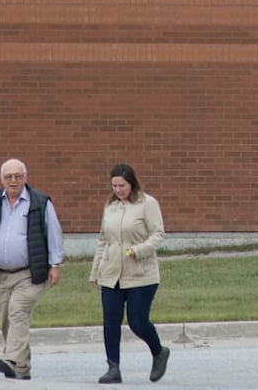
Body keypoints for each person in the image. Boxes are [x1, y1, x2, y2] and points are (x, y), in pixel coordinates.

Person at [0, 158, 65, 381]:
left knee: (18, 312)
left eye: (18, 176)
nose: (13, 181)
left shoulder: (40, 202)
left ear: (25, 178)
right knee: (6, 320)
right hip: (0, 273)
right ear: (1, 179)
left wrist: (55, 264)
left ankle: (9, 358)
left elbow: (54, 234)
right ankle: (22, 368)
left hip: (30, 273)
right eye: (8, 177)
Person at [89, 163, 170, 384]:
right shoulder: (111, 207)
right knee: (111, 320)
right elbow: (103, 240)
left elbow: (158, 234)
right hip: (111, 273)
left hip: (140, 274)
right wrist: (96, 271)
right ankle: (113, 368)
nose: (118, 190)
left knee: (137, 321)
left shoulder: (147, 204)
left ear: (131, 183)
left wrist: (138, 251)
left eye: (122, 185)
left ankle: (159, 351)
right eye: (114, 185)